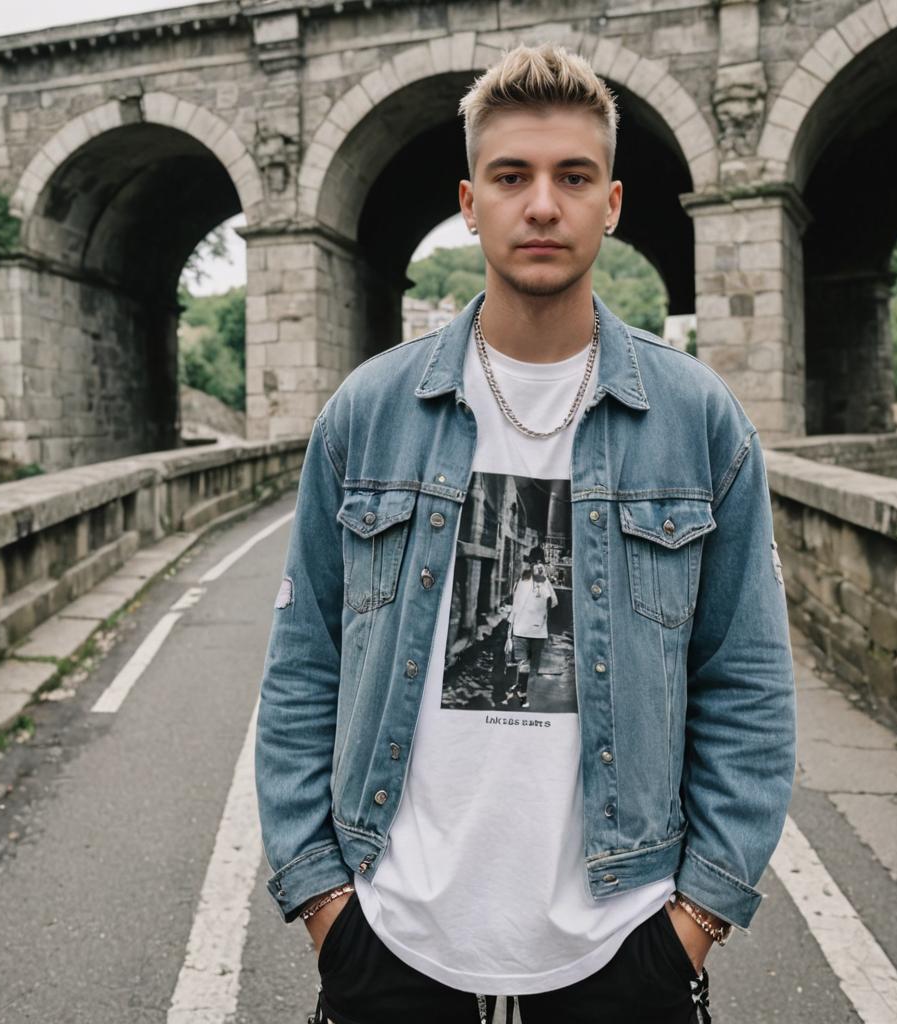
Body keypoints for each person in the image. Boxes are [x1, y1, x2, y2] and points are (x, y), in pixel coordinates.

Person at [255, 41, 796, 1024]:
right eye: (511, 176)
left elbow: (747, 681)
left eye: (571, 176)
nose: (540, 204)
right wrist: (324, 899)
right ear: (470, 201)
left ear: (611, 203)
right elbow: (303, 665)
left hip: (620, 941)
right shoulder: (367, 414)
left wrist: (695, 915)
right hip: (394, 934)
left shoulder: (698, 423)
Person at [502, 549, 558, 708]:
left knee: (523, 663)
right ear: (540, 562)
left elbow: (516, 605)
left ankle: (518, 693)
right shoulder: (542, 580)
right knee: (528, 664)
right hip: (535, 631)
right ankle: (522, 694)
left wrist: (510, 628)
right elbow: (553, 603)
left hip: (523, 628)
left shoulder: (523, 579)